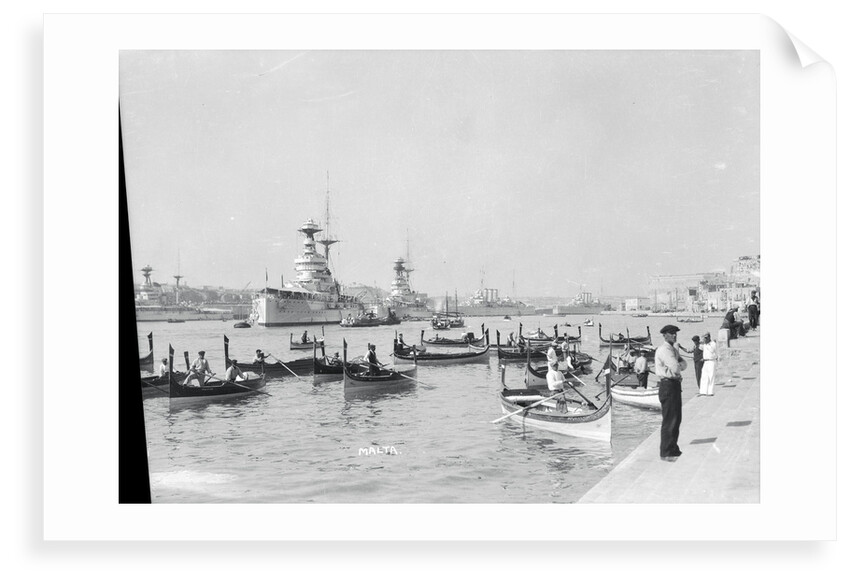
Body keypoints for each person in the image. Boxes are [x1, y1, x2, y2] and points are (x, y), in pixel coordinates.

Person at [655, 325, 688, 460]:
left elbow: (684, 364)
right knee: (670, 419)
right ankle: (666, 451)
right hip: (668, 385)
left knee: (676, 418)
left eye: (675, 333)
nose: (674, 336)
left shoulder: (672, 350)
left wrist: (678, 364)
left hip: (674, 385)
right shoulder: (664, 350)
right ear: (665, 336)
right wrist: (678, 365)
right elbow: (676, 368)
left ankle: (673, 448)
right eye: (671, 334)